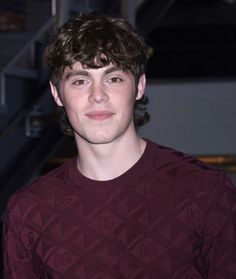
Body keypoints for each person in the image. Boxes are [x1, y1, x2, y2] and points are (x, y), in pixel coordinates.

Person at [3, 11, 236, 279]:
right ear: (57, 94)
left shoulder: (205, 191)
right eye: (80, 81)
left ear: (139, 86)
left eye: (113, 78)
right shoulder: (28, 210)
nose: (97, 95)